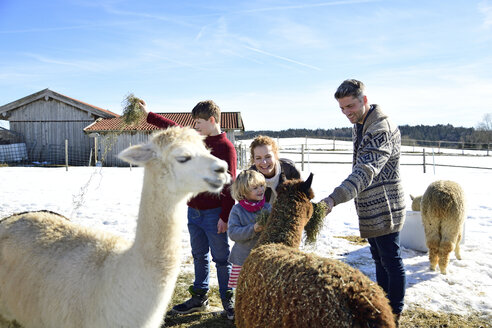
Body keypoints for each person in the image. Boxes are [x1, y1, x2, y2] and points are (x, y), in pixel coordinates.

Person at [139, 99, 236, 319]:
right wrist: (148, 114)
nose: (195, 126)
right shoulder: (195, 140)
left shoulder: (226, 147)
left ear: (212, 120)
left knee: (221, 259)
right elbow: (173, 128)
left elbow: (231, 184)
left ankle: (228, 300)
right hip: (194, 212)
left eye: (199, 122)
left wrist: (225, 216)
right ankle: (199, 297)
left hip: (214, 214)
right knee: (198, 255)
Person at [321, 79, 406, 326]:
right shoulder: (361, 123)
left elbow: (365, 170)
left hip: (385, 205)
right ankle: (383, 308)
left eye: (351, 106)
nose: (347, 113)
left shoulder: (380, 128)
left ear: (364, 100)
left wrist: (333, 199)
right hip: (370, 204)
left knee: (391, 259)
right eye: (342, 108)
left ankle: (394, 315)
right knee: (378, 257)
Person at [227, 170, 272, 299]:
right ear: (243, 192)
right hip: (243, 259)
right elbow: (233, 233)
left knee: (261, 288)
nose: (260, 190)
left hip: (262, 258)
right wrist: (253, 229)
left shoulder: (267, 208)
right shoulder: (237, 210)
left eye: (262, 186)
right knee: (244, 290)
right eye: (255, 188)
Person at [248, 135, 301, 204]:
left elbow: (302, 198)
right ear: (253, 160)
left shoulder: (290, 170)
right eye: (258, 158)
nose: (264, 162)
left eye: (268, 157)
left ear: (275, 155)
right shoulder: (249, 177)